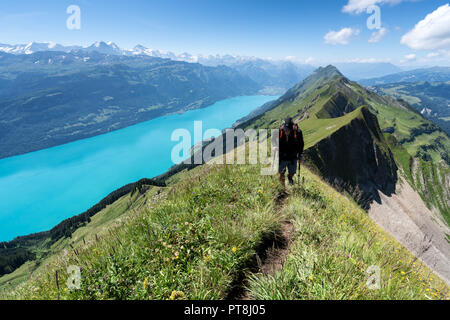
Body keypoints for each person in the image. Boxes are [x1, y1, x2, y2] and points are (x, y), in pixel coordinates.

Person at [278, 117, 304, 187]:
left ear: (292, 128)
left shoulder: (297, 132)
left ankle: (290, 177)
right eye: (285, 130)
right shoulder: (280, 131)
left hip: (293, 155)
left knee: (292, 171)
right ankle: (282, 187)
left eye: (288, 130)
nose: (286, 132)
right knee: (280, 171)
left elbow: (301, 144)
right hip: (283, 155)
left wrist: (300, 154)